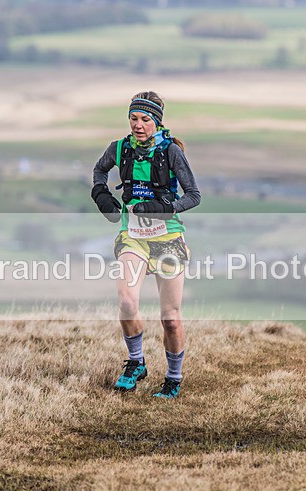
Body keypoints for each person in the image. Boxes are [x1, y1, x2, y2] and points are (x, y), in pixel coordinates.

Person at [91, 91, 201, 398]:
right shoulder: (120, 148)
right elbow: (99, 169)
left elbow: (194, 196)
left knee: (171, 319)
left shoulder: (171, 152)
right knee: (127, 302)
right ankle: (136, 362)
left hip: (167, 239)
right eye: (134, 118)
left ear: (157, 121)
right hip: (133, 237)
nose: (138, 125)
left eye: (145, 119)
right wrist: (100, 193)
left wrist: (163, 208)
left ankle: (173, 378)